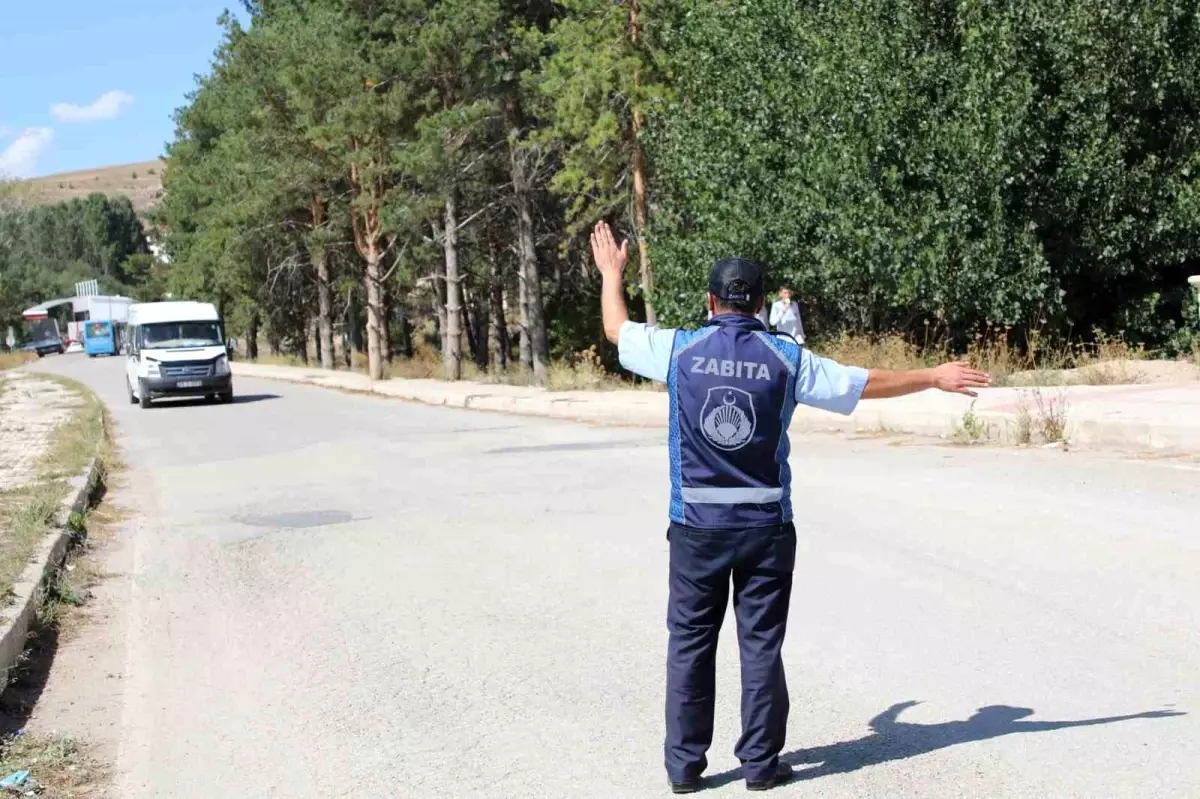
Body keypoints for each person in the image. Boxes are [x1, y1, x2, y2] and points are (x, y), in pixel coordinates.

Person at [590, 222, 989, 794]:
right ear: (761, 304)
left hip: (696, 526)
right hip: (766, 529)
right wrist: (932, 376)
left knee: (690, 644)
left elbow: (616, 329)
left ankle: (684, 768)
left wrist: (612, 273)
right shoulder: (786, 358)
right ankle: (760, 765)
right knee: (760, 645)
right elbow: (863, 383)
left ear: (710, 303)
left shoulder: (678, 349)